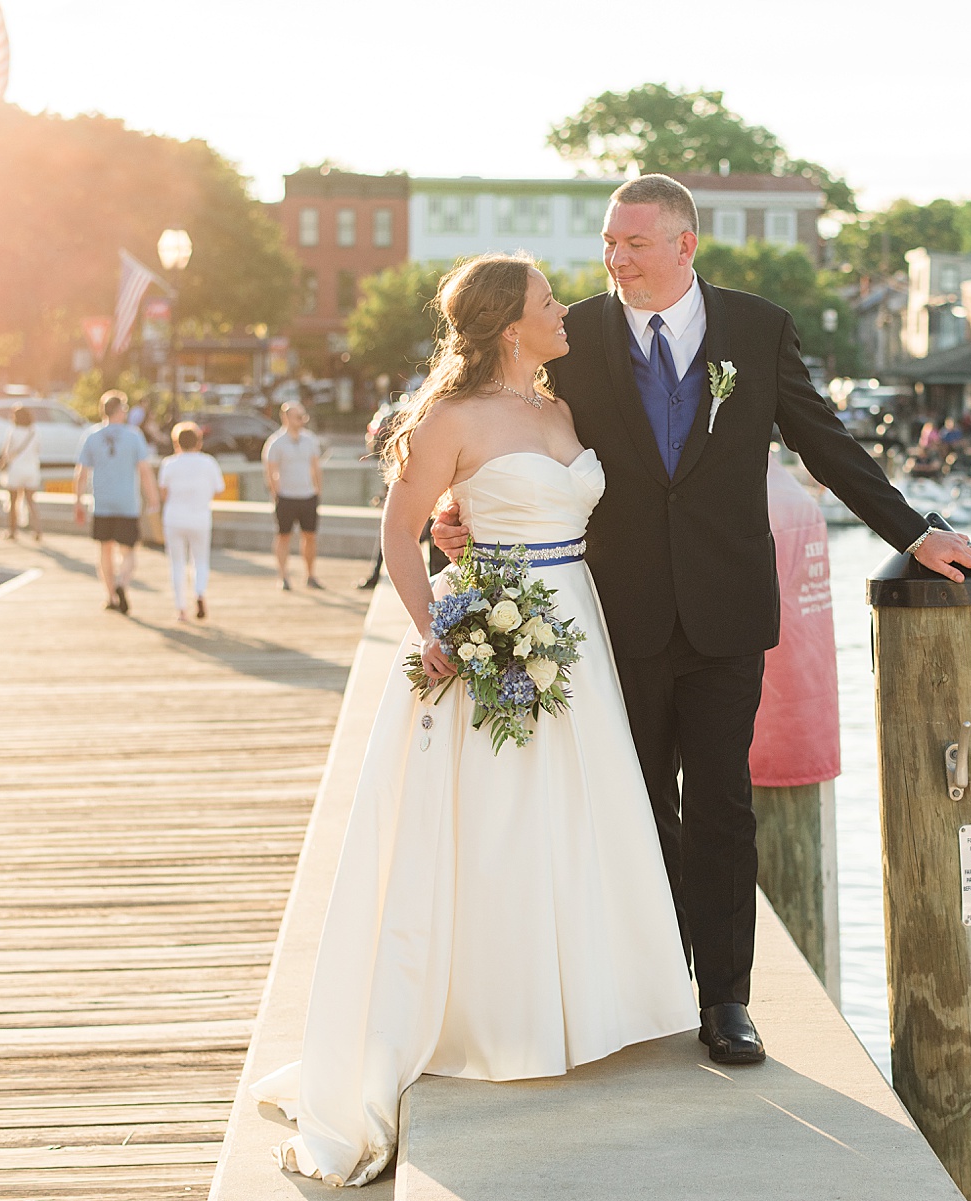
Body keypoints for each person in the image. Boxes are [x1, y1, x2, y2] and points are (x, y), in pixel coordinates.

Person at [432, 176, 971, 1069]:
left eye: (635, 244)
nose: (616, 260)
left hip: (729, 607)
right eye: (610, 243)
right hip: (617, 610)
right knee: (638, 798)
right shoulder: (574, 336)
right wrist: (452, 521)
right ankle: (653, 982)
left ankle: (727, 998)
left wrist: (916, 532)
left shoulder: (757, 328)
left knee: (724, 803)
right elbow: (496, 430)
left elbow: (824, 441)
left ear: (685, 245)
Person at [251, 255, 698, 1187]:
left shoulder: (560, 407)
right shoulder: (450, 419)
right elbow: (401, 528)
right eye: (547, 302)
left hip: (574, 618)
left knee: (581, 812)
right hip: (499, 626)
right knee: (496, 823)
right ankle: (502, 1014)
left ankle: (591, 1006)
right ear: (507, 325)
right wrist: (438, 631)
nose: (564, 310)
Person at [74, 391, 158, 614]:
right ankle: (122, 583)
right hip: (127, 503)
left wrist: (78, 501)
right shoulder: (134, 436)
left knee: (105, 550)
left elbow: (81, 472)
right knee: (128, 551)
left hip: (102, 503)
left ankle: (110, 595)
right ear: (120, 411)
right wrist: (153, 499)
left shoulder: (91, 435)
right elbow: (145, 471)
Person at [158, 422, 225, 622]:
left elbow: (163, 492)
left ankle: (181, 609)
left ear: (176, 442)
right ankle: (200, 593)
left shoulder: (169, 464)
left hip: (174, 518)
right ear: (199, 442)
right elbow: (219, 489)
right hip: (200, 518)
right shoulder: (208, 462)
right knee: (201, 560)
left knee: (177, 563)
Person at [264, 402, 324, 591]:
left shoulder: (310, 440)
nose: (301, 420)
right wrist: (277, 494)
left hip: (307, 495)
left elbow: (316, 467)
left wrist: (317, 491)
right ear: (286, 418)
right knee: (283, 536)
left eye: (303, 416)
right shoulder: (276, 442)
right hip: (286, 496)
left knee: (310, 536)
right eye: (298, 416)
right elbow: (271, 471)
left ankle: (310, 575)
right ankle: (283, 576)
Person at [0, 405, 42, 542]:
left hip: (16, 469)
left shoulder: (13, 431)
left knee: (13, 502)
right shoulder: (35, 431)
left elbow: (6, 452)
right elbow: (38, 449)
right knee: (31, 502)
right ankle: (37, 530)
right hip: (32, 469)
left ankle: (12, 531)